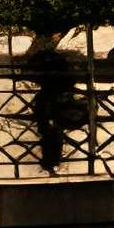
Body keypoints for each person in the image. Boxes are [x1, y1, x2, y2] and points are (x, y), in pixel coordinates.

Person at [28, 40, 77, 174]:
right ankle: (53, 161)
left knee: (47, 130)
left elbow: (30, 72)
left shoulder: (42, 59)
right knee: (55, 130)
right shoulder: (61, 60)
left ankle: (49, 161)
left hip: (48, 99)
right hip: (57, 99)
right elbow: (71, 79)